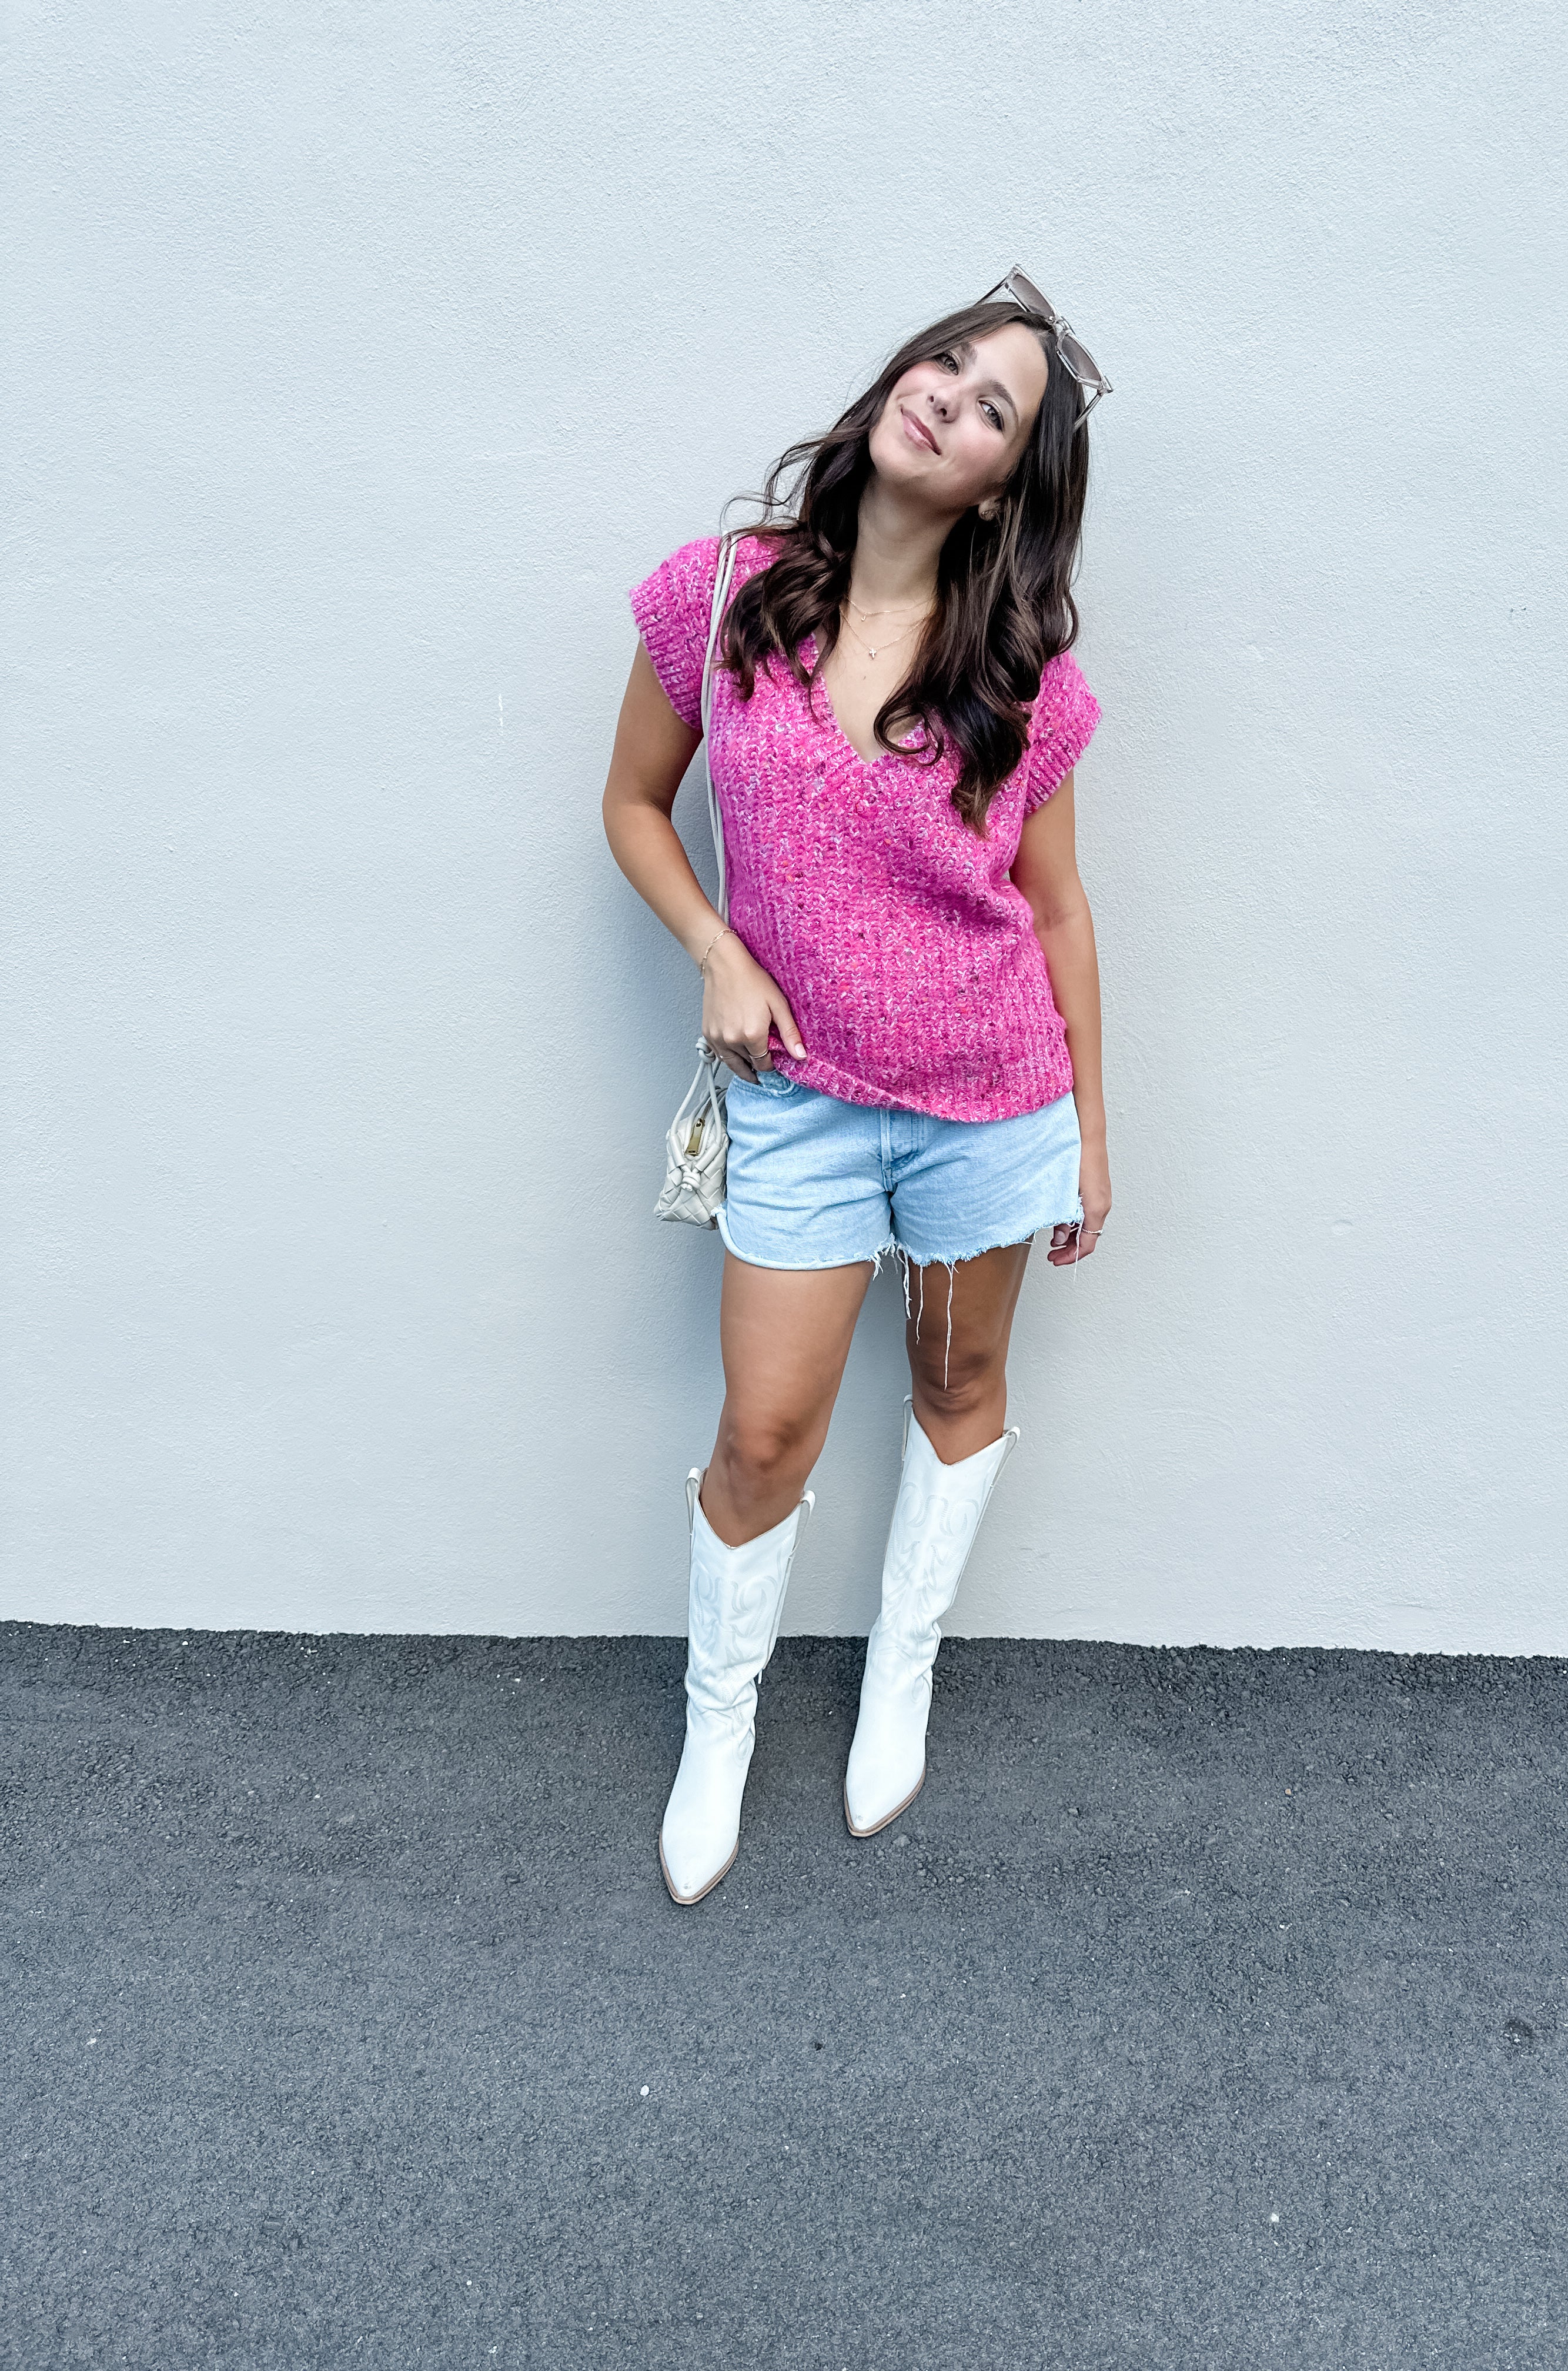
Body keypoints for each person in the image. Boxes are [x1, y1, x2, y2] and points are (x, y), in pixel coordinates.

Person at [602, 270, 1114, 1904]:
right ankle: (721, 1731)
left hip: (989, 1100)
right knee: (765, 1430)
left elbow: (1054, 909)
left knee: (957, 1394)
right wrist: (714, 946)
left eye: (992, 410)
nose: (949, 400)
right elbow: (627, 807)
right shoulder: (725, 595)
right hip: (804, 1105)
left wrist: (1090, 1133)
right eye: (948, 364)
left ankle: (900, 1677)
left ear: (1003, 484)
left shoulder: (1021, 671)